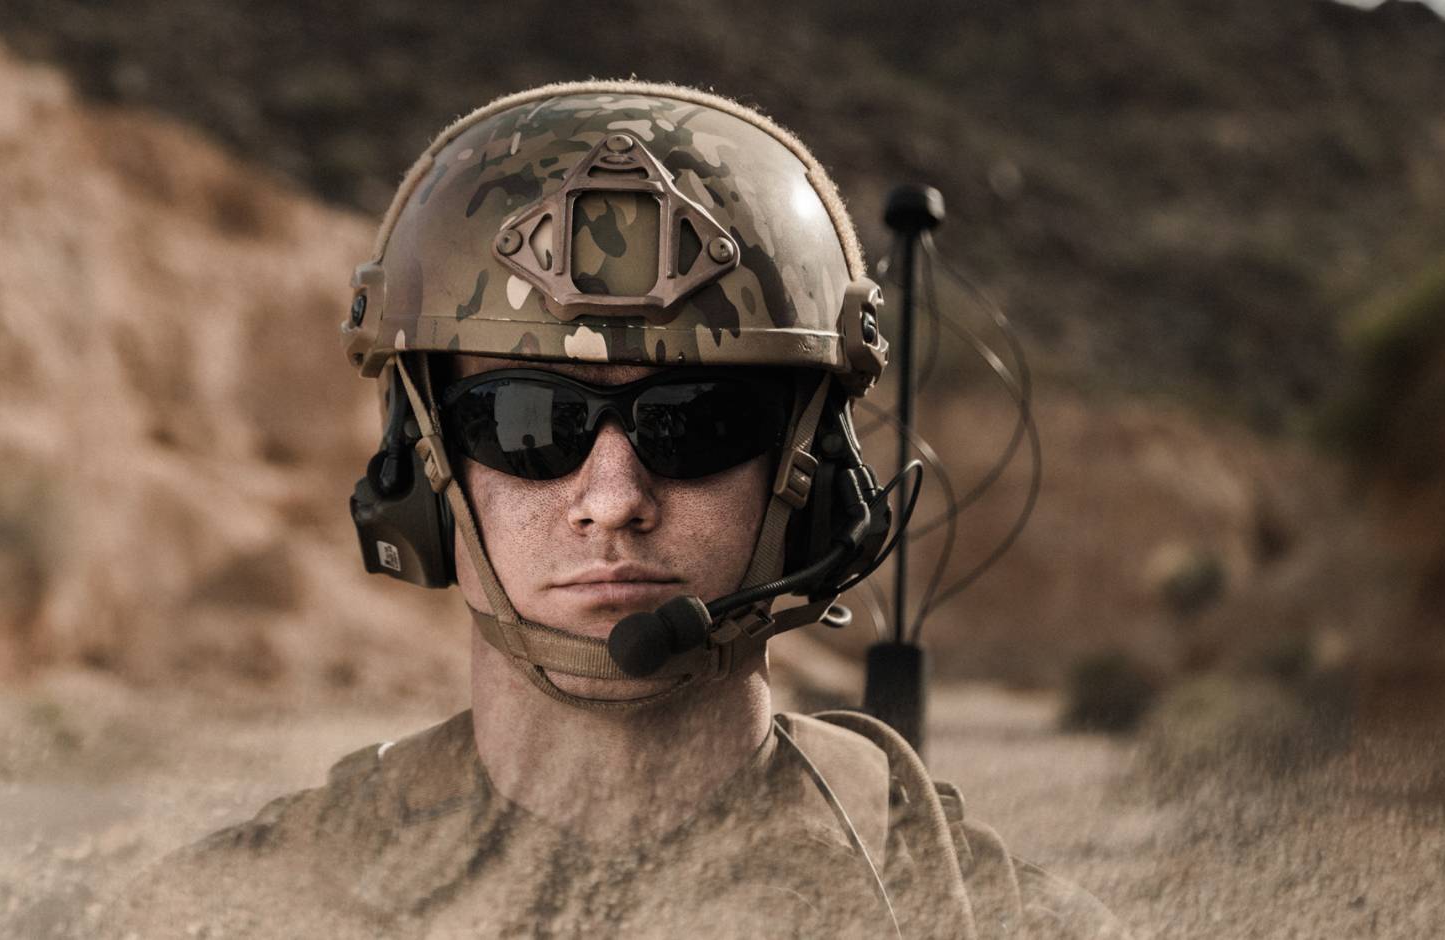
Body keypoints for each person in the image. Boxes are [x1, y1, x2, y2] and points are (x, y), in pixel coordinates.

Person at [110, 81, 1127, 938]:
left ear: (809, 477)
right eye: (525, 423)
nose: (614, 499)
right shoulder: (238, 912)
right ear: (422, 475)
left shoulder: (981, 916)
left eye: (694, 424)